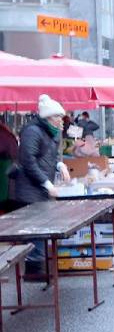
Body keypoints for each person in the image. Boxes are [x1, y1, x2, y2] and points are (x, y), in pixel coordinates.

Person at [10, 96, 71, 277]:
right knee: (34, 227)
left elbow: (53, 156)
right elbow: (28, 161)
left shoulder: (53, 132)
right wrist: (46, 182)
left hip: (42, 188)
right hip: (29, 188)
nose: (61, 121)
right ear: (48, 117)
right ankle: (34, 269)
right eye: (57, 117)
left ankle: (39, 266)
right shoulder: (32, 131)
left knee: (42, 226)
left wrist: (61, 165)